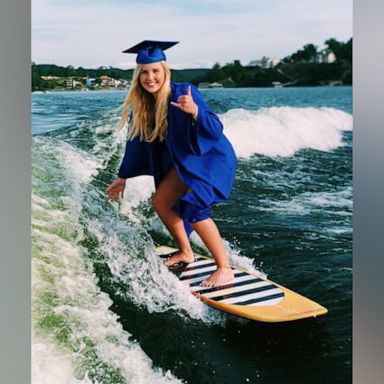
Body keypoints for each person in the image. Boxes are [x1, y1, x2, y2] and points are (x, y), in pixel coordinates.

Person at [107, 40, 237, 287]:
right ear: (138, 77)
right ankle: (186, 252)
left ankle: (224, 268)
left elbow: (215, 128)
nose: (150, 77)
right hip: (186, 162)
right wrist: (123, 176)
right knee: (161, 201)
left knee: (194, 209)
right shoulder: (143, 105)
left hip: (210, 158)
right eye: (144, 72)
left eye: (155, 71)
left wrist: (195, 111)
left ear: (165, 71)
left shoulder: (183, 92)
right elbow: (135, 142)